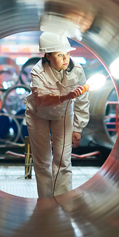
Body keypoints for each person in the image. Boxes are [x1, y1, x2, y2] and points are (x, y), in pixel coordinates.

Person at [24, 32, 90, 198]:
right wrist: (65, 96)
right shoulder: (37, 71)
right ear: (47, 55)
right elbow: (41, 99)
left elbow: (83, 100)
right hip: (38, 113)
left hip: (63, 113)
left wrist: (78, 127)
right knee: (42, 160)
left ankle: (62, 201)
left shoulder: (78, 71)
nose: (65, 59)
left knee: (63, 159)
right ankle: (46, 201)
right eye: (60, 55)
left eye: (67, 54)